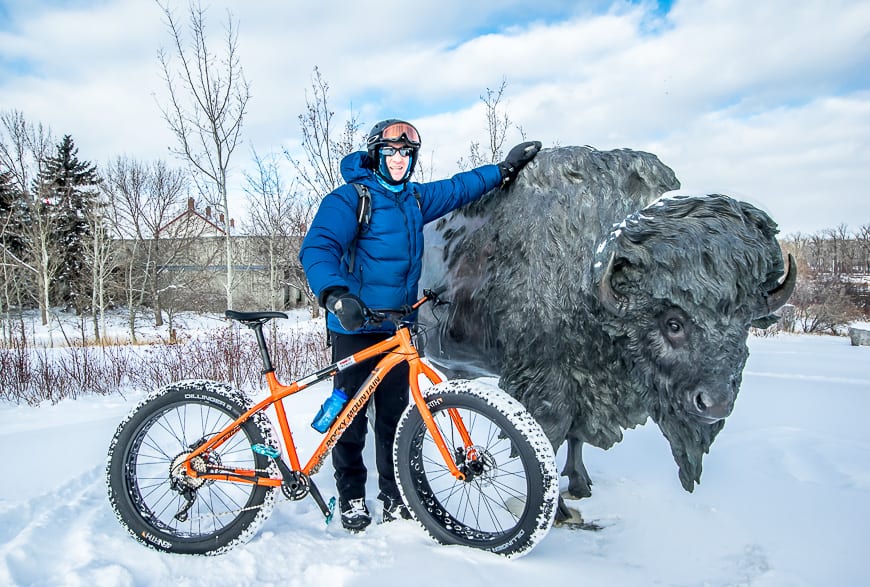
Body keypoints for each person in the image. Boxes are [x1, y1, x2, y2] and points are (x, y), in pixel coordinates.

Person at [299, 119, 540, 532]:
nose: (399, 160)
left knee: (394, 417)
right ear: (376, 154)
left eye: (406, 153)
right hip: (353, 325)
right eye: (391, 152)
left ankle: (395, 494)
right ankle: (352, 495)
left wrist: (503, 170)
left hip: (398, 330)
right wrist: (336, 295)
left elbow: (458, 187)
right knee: (348, 418)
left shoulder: (414, 199)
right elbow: (318, 247)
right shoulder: (350, 199)